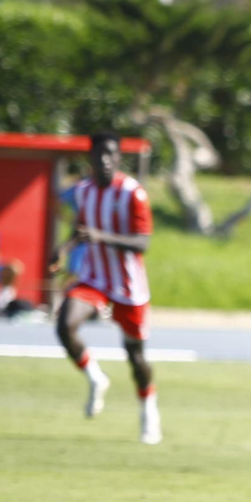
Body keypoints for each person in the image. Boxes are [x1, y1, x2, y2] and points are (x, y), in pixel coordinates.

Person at [53, 133, 161, 445]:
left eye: (110, 154)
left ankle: (148, 408)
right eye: (98, 154)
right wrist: (63, 248)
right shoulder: (84, 190)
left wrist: (102, 236)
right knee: (64, 325)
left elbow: (143, 242)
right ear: (90, 158)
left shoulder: (132, 193)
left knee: (136, 356)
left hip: (128, 286)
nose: (104, 160)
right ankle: (96, 378)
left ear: (118, 158)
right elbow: (81, 227)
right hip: (95, 279)